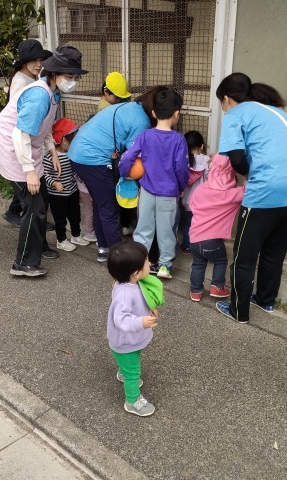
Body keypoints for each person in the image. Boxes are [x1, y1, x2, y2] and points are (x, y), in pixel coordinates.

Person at [213, 73, 287, 323]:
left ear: (226, 99)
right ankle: (266, 300)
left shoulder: (236, 114)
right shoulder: (277, 112)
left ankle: (239, 311)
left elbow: (237, 159)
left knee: (244, 257)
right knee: (274, 251)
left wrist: (247, 173)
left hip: (267, 191)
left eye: (222, 103)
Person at [0, 45, 88, 277]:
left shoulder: (52, 92)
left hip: (28, 149)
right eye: (69, 76)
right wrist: (29, 171)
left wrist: (52, 151)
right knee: (33, 208)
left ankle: (40, 246)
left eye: (75, 77)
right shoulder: (39, 95)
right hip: (13, 150)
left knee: (41, 200)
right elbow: (20, 134)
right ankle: (23, 263)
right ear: (54, 73)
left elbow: (44, 128)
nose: (72, 81)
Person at [68, 86, 167, 263]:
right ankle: (119, 258)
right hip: (93, 159)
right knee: (110, 209)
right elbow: (133, 154)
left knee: (101, 204)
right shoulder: (141, 121)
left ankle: (104, 248)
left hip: (79, 154)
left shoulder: (132, 107)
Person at [119, 89, 189, 279]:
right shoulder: (179, 140)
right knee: (167, 230)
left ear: (153, 113)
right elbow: (181, 168)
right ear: (177, 114)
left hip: (147, 192)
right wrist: (181, 187)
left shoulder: (145, 136)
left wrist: (124, 173)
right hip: (169, 194)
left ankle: (140, 264)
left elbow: (128, 157)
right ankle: (165, 266)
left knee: (143, 229)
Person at [2, 39, 58, 232]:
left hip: (30, 141)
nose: (38, 64)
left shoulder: (32, 79)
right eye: (33, 60)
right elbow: (21, 121)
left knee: (31, 189)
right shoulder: (21, 81)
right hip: (20, 142)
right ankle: (25, 221)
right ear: (24, 62)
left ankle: (27, 221)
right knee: (30, 190)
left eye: (41, 60)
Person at [106, 241, 162, 417]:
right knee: (134, 373)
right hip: (125, 342)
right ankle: (132, 401)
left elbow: (140, 299)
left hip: (131, 340)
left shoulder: (128, 282)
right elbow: (121, 318)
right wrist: (140, 322)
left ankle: (124, 372)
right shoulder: (124, 293)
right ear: (136, 273)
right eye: (146, 262)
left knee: (132, 361)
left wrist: (149, 307)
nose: (150, 263)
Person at [188, 154, 244, 302]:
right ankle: (217, 287)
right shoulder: (229, 194)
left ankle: (195, 291)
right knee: (220, 261)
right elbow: (248, 190)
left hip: (194, 237)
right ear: (231, 174)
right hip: (212, 241)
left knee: (198, 264)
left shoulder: (201, 189)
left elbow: (192, 205)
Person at [43, 118, 89, 252]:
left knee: (75, 216)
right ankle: (61, 240)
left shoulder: (71, 154)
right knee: (60, 219)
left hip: (73, 191)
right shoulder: (50, 157)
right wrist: (54, 183)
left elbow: (75, 170)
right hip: (57, 195)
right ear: (64, 141)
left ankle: (76, 235)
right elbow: (45, 174)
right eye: (73, 142)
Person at [180, 130, 209, 255]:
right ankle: (200, 247)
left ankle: (187, 247)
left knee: (189, 224)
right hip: (203, 201)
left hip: (187, 201)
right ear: (202, 146)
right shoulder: (206, 160)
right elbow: (209, 178)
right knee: (202, 225)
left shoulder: (183, 160)